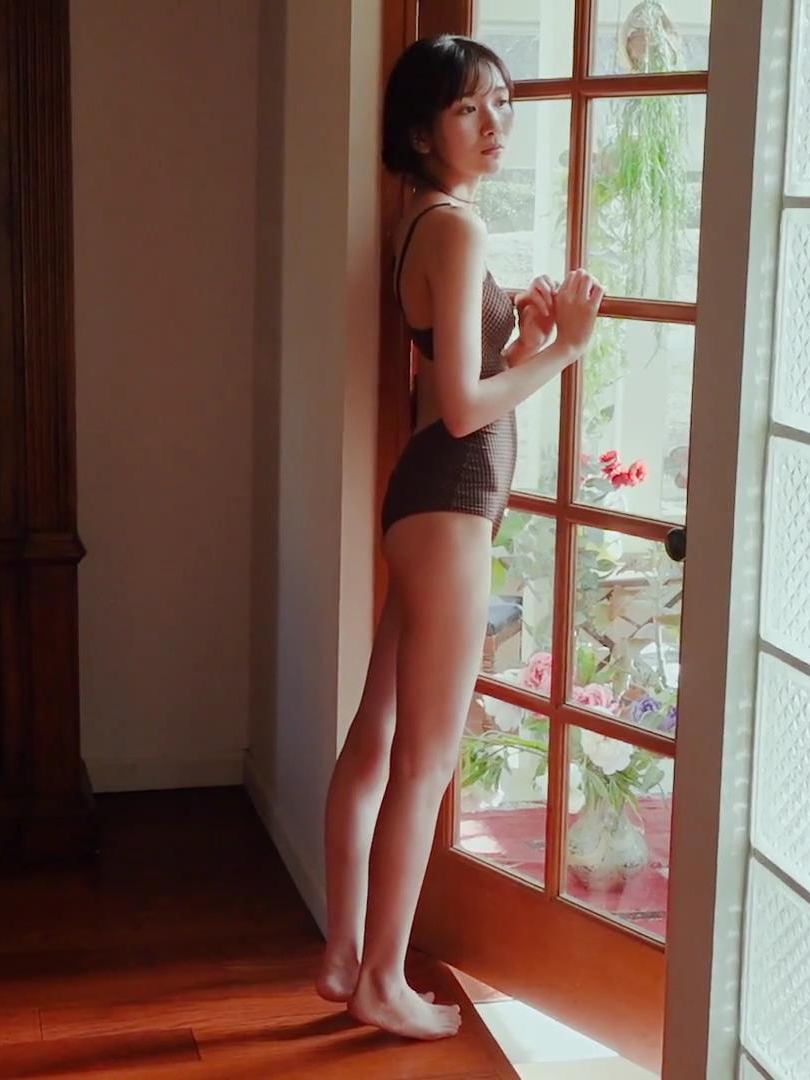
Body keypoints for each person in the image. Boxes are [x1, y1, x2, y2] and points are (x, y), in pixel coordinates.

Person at [315, 34, 604, 1040]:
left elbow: (457, 379)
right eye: (468, 108)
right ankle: (381, 982)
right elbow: (465, 409)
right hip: (448, 507)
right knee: (427, 758)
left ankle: (344, 954)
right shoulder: (458, 226)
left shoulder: (420, 222)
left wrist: (522, 340)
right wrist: (566, 352)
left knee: (377, 737)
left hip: (422, 503)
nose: (493, 124)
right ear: (419, 131)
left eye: (501, 103)